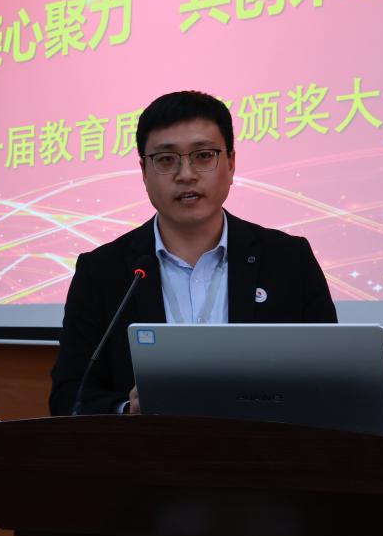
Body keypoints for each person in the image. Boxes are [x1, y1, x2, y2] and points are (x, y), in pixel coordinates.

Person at [49, 91, 337, 416]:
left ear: (231, 163)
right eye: (166, 159)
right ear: (144, 171)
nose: (185, 173)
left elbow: (331, 379)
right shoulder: (101, 271)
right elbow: (68, 395)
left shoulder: (289, 260)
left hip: (262, 444)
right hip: (148, 446)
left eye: (203, 155)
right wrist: (127, 411)